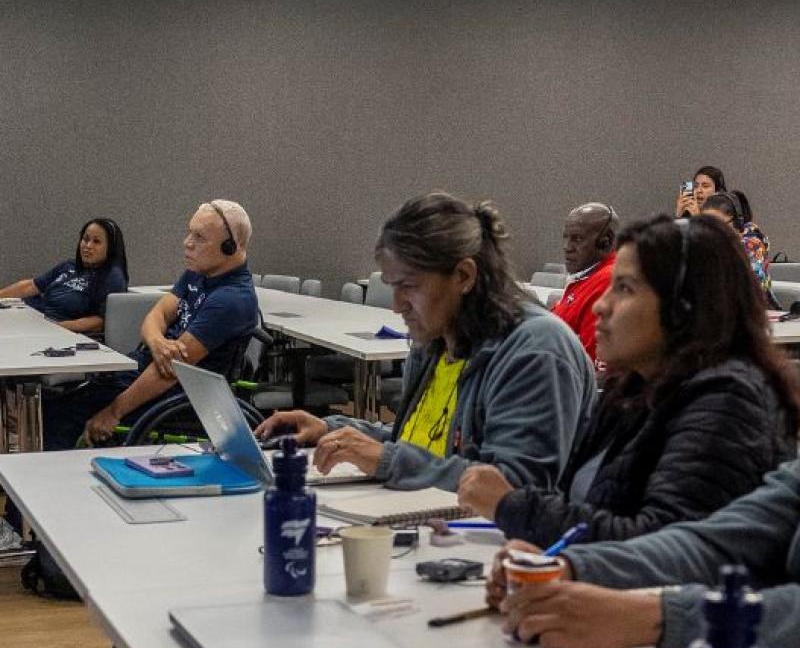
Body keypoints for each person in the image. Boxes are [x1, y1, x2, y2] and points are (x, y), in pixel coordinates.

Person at [458, 213, 799, 546]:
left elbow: (660, 549)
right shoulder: (631, 389)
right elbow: (579, 505)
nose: (600, 307)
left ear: (682, 306)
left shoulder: (728, 404)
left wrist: (513, 507)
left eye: (624, 288)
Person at [255, 191, 596, 492]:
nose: (397, 305)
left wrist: (388, 460)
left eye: (409, 286)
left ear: (463, 276)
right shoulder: (436, 341)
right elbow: (425, 446)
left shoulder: (536, 350)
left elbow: (515, 487)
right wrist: (331, 429)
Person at [485, 456, 800, 648]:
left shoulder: (728, 396)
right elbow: (717, 542)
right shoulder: (632, 395)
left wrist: (655, 616)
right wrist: (573, 568)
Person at [42, 201, 259, 451]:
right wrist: (157, 342)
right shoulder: (199, 273)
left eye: (199, 237)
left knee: (59, 415)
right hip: (149, 370)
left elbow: (170, 372)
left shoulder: (231, 299)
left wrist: (113, 412)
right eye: (189, 232)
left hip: (178, 396)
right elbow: (156, 315)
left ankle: (46, 484)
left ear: (230, 247)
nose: (187, 242)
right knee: (55, 400)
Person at [0, 218, 128, 334]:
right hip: (36, 320)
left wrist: (55, 327)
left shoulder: (113, 277)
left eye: (96, 241)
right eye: (85, 239)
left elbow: (100, 322)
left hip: (62, 333)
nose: (88, 246)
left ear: (110, 248)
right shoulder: (69, 265)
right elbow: (30, 286)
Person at [550, 202, 618, 369]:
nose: (566, 247)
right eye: (566, 237)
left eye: (577, 238)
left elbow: (591, 368)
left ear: (606, 241)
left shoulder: (607, 282)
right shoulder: (587, 278)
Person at [703, 189, 778, 306]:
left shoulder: (752, 245)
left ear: (736, 222)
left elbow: (747, 291)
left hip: (757, 313)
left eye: (718, 225)